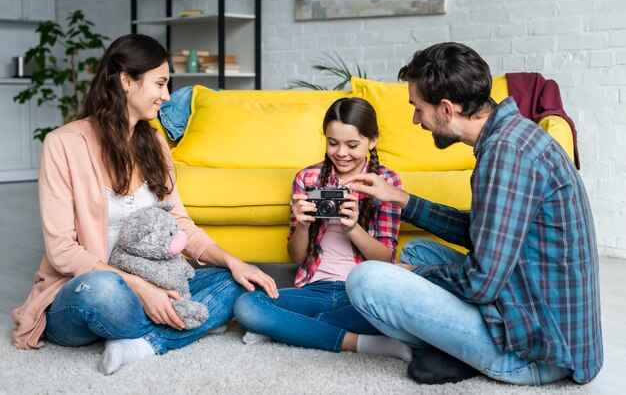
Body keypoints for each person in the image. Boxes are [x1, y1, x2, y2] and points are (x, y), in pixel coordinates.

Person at [11, 34, 278, 375]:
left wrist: (234, 261)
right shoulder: (63, 144)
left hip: (156, 283)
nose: (166, 97)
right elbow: (63, 251)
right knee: (104, 293)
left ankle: (141, 341)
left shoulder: (154, 142)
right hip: (87, 290)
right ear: (126, 81)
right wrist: (142, 288)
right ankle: (183, 322)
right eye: (160, 84)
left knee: (233, 281)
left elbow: (179, 223)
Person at [344, 42, 602, 385]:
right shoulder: (511, 134)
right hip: (533, 308)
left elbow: (481, 284)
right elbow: (483, 232)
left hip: (540, 352)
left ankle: (467, 354)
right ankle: (456, 349)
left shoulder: (505, 155)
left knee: (367, 280)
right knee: (419, 249)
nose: (416, 119)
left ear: (447, 109)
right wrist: (400, 198)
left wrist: (413, 274)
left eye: (418, 108)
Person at [234, 97, 412, 360]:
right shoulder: (307, 178)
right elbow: (297, 257)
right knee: (246, 306)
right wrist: (303, 226)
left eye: (352, 145)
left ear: (372, 141)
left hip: (361, 293)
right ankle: (359, 343)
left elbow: (385, 259)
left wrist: (353, 229)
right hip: (314, 288)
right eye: (332, 143)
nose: (341, 153)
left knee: (402, 311)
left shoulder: (385, 182)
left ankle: (289, 328)